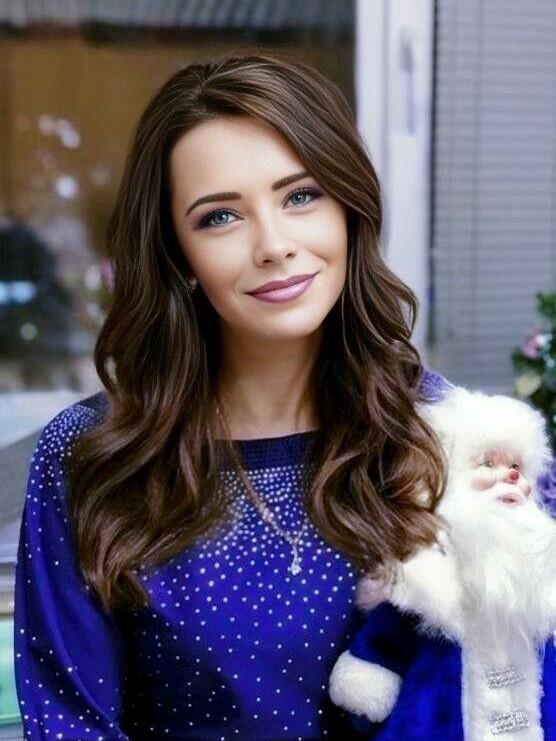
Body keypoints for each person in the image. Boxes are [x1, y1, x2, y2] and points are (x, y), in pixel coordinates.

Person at [14, 50, 453, 741]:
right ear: (178, 254)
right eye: (221, 216)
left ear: (348, 208)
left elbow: (504, 693)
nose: (274, 245)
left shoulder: (448, 431)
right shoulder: (90, 455)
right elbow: (70, 718)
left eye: (300, 196)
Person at [329, 387, 556, 739]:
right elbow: (388, 637)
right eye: (488, 463)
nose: (511, 476)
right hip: (439, 721)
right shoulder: (426, 568)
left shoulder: (542, 574)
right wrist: (368, 678)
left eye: (516, 466)